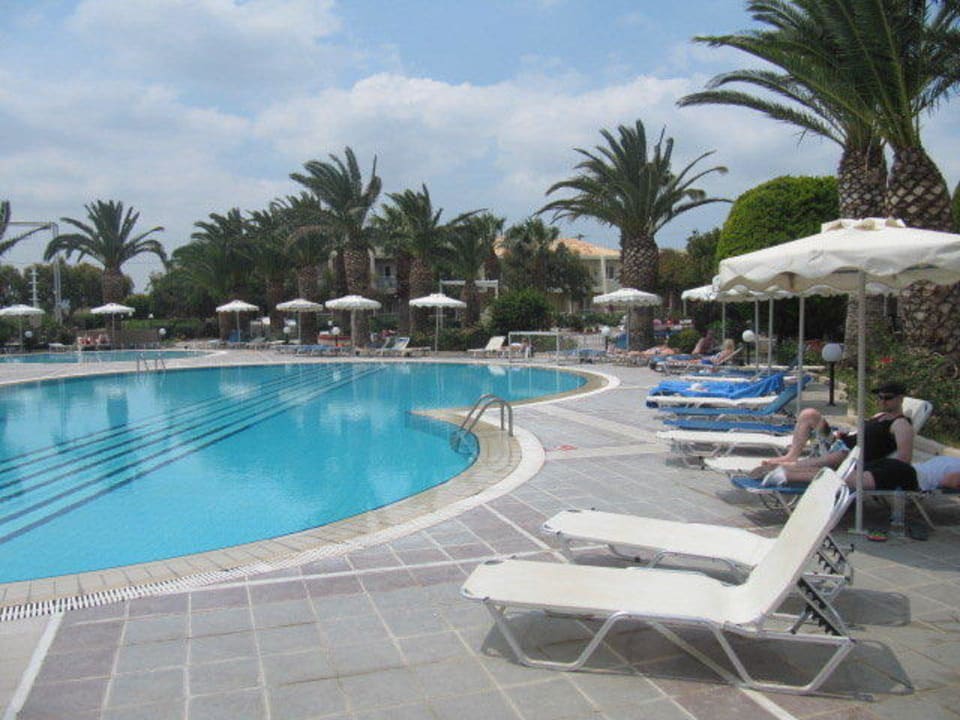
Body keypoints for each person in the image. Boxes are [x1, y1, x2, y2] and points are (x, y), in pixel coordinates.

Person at [757, 381, 917, 491]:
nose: (882, 401)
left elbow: (903, 461)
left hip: (850, 455)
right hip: (840, 444)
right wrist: (843, 435)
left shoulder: (901, 424)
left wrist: (864, 469)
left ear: (900, 399)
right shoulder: (880, 415)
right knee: (809, 414)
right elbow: (867, 435)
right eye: (880, 397)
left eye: (887, 398)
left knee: (825, 460)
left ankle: (782, 469)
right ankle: (791, 457)